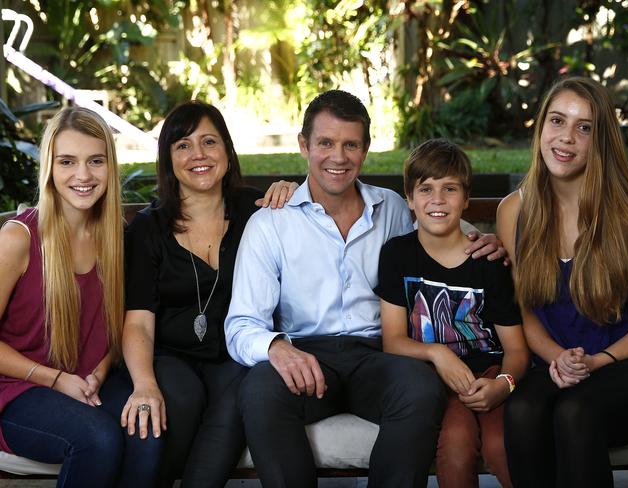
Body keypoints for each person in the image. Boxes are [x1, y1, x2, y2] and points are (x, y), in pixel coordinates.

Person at [225, 90, 506, 488]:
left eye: (350, 145)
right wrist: (276, 348)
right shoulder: (271, 223)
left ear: (366, 149)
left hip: (379, 355)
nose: (338, 157)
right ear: (304, 145)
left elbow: (442, 241)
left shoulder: (392, 208)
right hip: (306, 353)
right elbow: (240, 325)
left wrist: (482, 241)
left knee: (420, 388)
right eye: (325, 143)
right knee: (259, 390)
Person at [121, 100, 296, 487]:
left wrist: (294, 191)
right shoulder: (148, 230)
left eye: (208, 142)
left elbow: (311, 220)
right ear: (168, 161)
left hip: (234, 351)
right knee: (181, 398)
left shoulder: (257, 212)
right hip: (171, 353)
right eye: (183, 145)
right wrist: (144, 383)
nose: (198, 155)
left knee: (238, 398)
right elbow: (138, 323)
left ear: (227, 154)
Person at [498, 76, 628, 488]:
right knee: (523, 412)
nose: (566, 138)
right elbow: (524, 310)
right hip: (553, 359)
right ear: (541, 128)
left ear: (600, 140)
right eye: (557, 121)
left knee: (575, 412)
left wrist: (599, 361)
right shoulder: (514, 210)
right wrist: (557, 358)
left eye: (584, 128)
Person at [0, 107, 162, 488]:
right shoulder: (17, 240)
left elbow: (115, 326)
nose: (83, 175)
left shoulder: (117, 237)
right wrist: (55, 379)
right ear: (50, 168)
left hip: (89, 379)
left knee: (147, 429)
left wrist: (102, 370)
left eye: (95, 161)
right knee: (98, 440)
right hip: (19, 387)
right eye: (67, 162)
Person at [375, 139, 529, 488]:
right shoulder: (397, 256)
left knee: (500, 445)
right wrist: (437, 352)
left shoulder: (488, 261)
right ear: (410, 200)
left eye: (450, 189)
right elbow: (393, 340)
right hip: (436, 379)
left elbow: (517, 349)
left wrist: (503, 385)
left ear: (466, 198)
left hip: (490, 372)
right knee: (456, 447)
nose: (438, 200)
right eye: (426, 189)